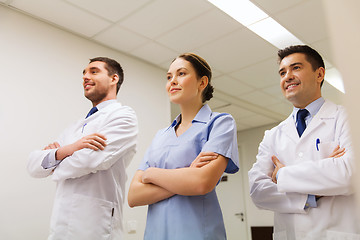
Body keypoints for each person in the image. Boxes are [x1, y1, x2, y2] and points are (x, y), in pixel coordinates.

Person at [248, 45, 359, 240]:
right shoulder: (273, 135)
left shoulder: (348, 118)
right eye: (282, 72)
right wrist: (309, 197)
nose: (287, 76)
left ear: (319, 74)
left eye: (296, 68)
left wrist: (282, 174)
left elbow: (350, 173)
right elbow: (257, 190)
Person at [128, 53, 239, 240]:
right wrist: (187, 175)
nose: (172, 81)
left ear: (202, 83)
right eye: (169, 77)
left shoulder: (220, 123)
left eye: (181, 74)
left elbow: (202, 183)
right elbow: (134, 196)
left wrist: (151, 174)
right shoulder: (160, 136)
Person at [27, 57, 138, 240]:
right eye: (84, 73)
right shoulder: (76, 127)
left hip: (96, 226)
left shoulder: (123, 116)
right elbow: (33, 166)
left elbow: (88, 161)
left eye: (94, 71)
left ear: (114, 79)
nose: (85, 76)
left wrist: (54, 163)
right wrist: (67, 150)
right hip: (61, 224)